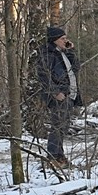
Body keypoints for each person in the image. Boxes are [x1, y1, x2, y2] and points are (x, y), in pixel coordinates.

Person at [36, 26, 83, 166]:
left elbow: (75, 68)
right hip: (59, 96)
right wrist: (55, 92)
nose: (65, 40)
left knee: (63, 127)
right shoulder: (47, 54)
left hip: (69, 95)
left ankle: (59, 156)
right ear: (55, 40)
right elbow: (43, 75)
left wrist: (70, 51)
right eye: (62, 39)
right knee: (57, 127)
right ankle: (53, 157)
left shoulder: (62, 53)